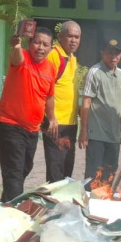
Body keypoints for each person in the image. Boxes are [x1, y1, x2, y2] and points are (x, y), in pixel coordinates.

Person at [0, 27, 58, 202]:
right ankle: (15, 211)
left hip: (32, 129)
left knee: (24, 167)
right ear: (29, 43)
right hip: (10, 123)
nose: (40, 47)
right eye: (37, 42)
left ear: (51, 48)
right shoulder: (22, 57)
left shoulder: (50, 68)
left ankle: (6, 203)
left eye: (45, 44)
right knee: (14, 170)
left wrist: (52, 117)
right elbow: (17, 59)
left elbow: (49, 96)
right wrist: (16, 46)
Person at [78, 38, 121, 182]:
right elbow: (86, 101)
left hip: (114, 135)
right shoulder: (94, 72)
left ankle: (105, 202)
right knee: (93, 176)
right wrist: (83, 131)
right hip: (96, 135)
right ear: (102, 53)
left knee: (109, 175)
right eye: (110, 53)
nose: (113, 57)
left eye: (117, 53)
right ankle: (89, 203)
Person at [43, 20, 81, 182]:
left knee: (67, 166)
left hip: (70, 123)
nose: (73, 40)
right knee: (55, 168)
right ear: (60, 36)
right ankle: (54, 203)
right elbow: (44, 88)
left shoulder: (72, 58)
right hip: (55, 123)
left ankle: (63, 202)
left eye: (77, 37)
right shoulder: (54, 55)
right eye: (70, 36)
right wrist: (51, 118)